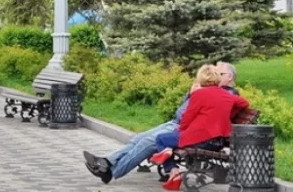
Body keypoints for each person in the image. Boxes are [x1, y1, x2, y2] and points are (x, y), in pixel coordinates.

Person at [83, 61, 241, 184]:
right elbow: (186, 108)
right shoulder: (208, 90)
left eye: (220, 73)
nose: (216, 76)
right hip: (177, 123)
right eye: (215, 72)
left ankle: (111, 172)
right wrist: (192, 94)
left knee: (148, 142)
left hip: (187, 130)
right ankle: (107, 162)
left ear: (230, 77)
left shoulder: (227, 93)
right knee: (139, 138)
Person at [151, 64, 249, 189]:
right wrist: (231, 111)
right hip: (218, 142)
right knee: (168, 140)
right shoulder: (227, 95)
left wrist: (180, 130)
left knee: (161, 139)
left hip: (199, 140)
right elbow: (245, 103)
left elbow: (187, 118)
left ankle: (173, 171)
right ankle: (168, 151)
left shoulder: (199, 94)